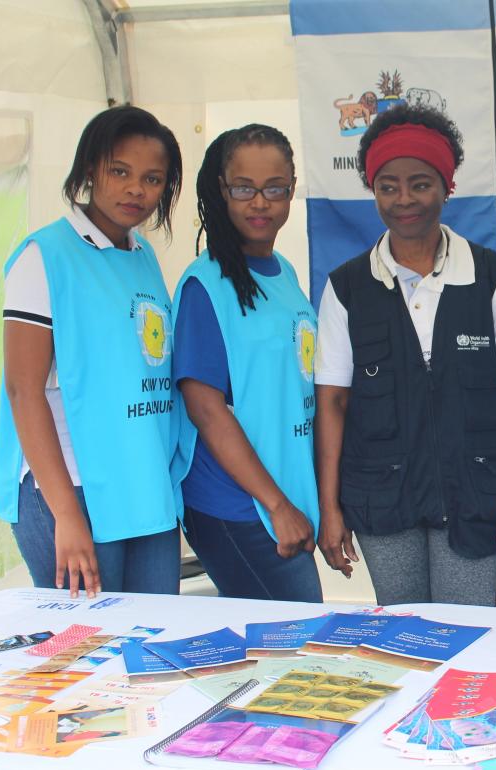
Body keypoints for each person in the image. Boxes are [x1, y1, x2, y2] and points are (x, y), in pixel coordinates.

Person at [314, 105, 496, 606]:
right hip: (380, 500)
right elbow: (332, 403)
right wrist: (330, 508)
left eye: (421, 184)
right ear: (373, 190)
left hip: (474, 495)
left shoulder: (490, 277)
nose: (404, 200)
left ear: (447, 186)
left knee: (470, 634)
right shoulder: (346, 287)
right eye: (388, 186)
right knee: (403, 634)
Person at [0, 105, 183, 598]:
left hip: (140, 486)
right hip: (73, 486)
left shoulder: (142, 256)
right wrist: (66, 515)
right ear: (89, 169)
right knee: (91, 653)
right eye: (119, 171)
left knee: (150, 646)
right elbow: (22, 389)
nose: (136, 189)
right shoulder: (45, 256)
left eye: (153, 178)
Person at [170, 124, 323, 603]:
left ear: (291, 191)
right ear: (222, 190)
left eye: (274, 189)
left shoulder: (285, 274)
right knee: (301, 637)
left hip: (278, 494)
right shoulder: (206, 285)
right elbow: (204, 408)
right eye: (244, 189)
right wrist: (276, 505)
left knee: (283, 649)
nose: (260, 202)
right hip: (236, 505)